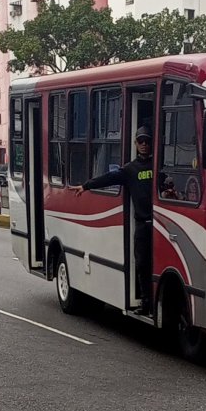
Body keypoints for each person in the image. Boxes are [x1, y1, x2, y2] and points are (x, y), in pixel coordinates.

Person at [70, 126, 154, 316]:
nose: (143, 145)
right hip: (142, 225)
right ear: (135, 143)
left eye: (147, 141)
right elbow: (108, 178)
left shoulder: (158, 167)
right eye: (140, 141)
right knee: (141, 264)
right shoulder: (130, 169)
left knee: (155, 266)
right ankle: (146, 303)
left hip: (160, 225)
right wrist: (86, 186)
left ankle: (154, 302)